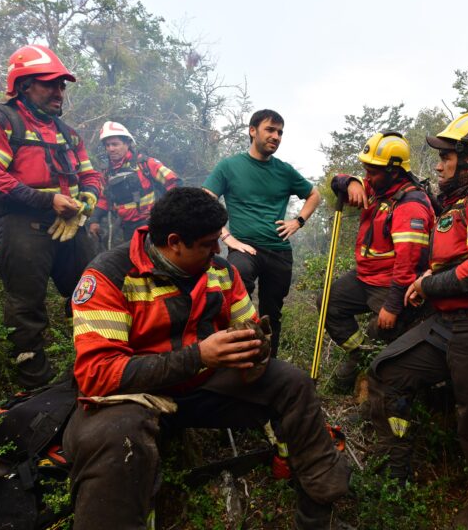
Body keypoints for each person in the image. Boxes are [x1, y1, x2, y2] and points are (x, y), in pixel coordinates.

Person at [63, 187, 350, 529]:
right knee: (115, 439)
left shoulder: (221, 272)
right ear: (174, 242)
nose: (218, 250)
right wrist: (199, 355)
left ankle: (319, 506)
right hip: (137, 395)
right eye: (208, 243)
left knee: (293, 383)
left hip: (204, 384)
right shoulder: (109, 276)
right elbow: (97, 373)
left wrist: (254, 345)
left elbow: (250, 326)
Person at [368, 112, 468, 529]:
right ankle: (395, 469)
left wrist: (429, 283)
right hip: (451, 323)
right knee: (388, 373)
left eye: (447, 157)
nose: (438, 165)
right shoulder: (460, 200)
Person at [0, 44, 101, 389]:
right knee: (26, 306)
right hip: (18, 225)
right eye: (49, 84)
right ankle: (36, 386)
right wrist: (46, 201)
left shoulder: (67, 132)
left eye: (62, 85)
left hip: (69, 225)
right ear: (23, 84)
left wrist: (84, 204)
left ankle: (97, 366)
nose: (59, 93)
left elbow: (90, 175)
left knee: (92, 292)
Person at [203, 109, 321, 356]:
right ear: (252, 130)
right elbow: (205, 201)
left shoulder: (284, 170)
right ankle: (234, 358)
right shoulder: (229, 166)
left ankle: (269, 363)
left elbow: (314, 194)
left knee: (272, 314)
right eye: (270, 130)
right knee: (236, 299)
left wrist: (298, 221)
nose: (276, 136)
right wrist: (227, 237)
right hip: (244, 248)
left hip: (279, 251)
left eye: (280, 132)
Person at [323, 131, 435, 391]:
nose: (368, 177)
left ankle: (381, 375)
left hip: (391, 284)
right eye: (365, 171)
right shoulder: (378, 188)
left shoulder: (410, 206)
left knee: (383, 330)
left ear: (394, 172)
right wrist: (351, 182)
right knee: (329, 302)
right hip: (365, 277)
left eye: (372, 172)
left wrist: (393, 307)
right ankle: (359, 354)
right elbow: (336, 182)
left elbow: (408, 263)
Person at [88, 121, 181, 243]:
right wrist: (94, 220)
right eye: (107, 145)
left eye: (115, 144)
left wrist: (164, 212)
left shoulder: (145, 164)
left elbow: (175, 184)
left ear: (127, 143)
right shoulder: (107, 172)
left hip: (151, 225)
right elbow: (103, 199)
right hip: (126, 228)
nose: (111, 149)